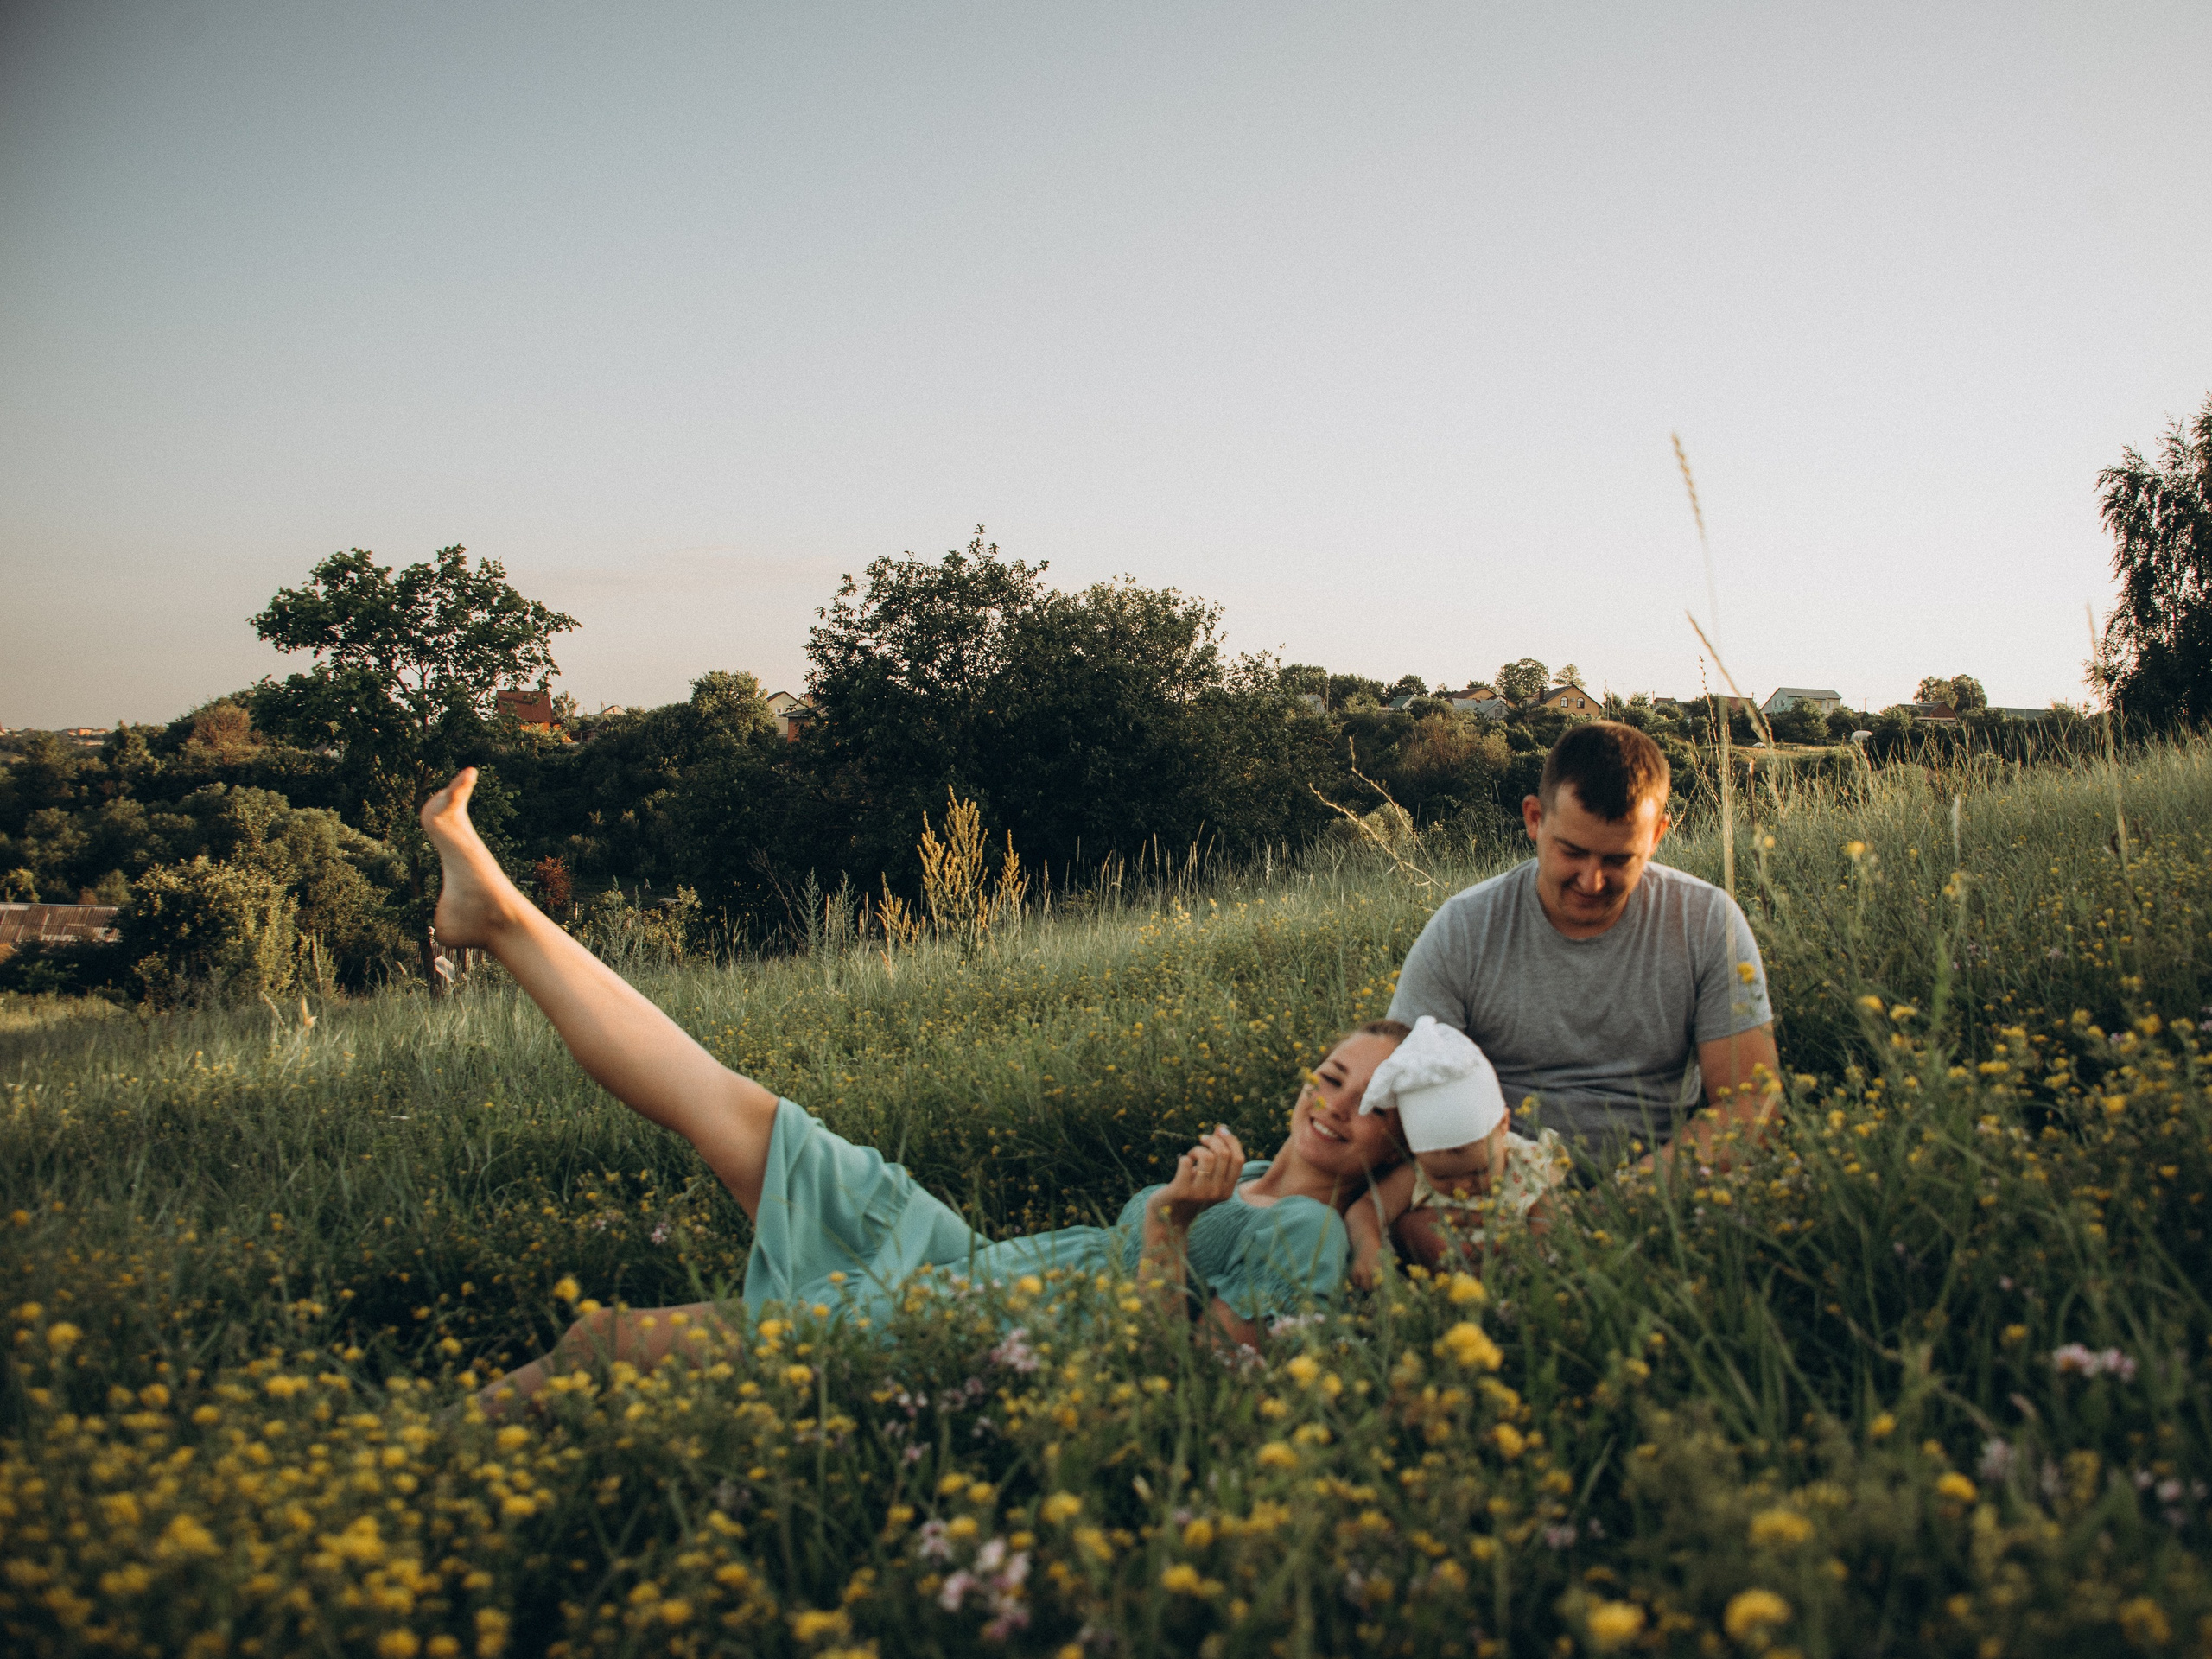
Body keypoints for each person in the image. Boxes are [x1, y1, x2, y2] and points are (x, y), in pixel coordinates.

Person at [415, 769, 1410, 1414]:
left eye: (1371, 1106)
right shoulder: (1256, 1192)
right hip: (968, 1267)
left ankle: (399, 1466)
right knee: (733, 1106)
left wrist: (1165, 1233)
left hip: (986, 1334)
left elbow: (1182, 1401)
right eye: (1331, 1076)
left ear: (1395, 1145)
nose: (1333, 1106)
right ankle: (499, 915)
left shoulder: (1310, 1237)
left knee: (610, 1344)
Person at [1386, 721, 1778, 1264]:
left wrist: (1603, 1212)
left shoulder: (1708, 921)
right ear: (1533, 819)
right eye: (1572, 851)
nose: (1592, 881)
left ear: (1659, 835)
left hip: (1656, 1186)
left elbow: (1752, 1102)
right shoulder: (1463, 929)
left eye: (1619, 860)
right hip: (1496, 1187)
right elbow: (1400, 1084)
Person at [1343, 1015, 1569, 1287]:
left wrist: (1539, 1257)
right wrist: (1367, 1246)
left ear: (1503, 1126)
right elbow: (1365, 1209)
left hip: (1518, 1280)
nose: (1463, 1185)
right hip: (1437, 1287)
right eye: (1441, 1178)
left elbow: (1552, 1207)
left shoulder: (1526, 1162)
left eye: (1479, 1171)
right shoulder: (1417, 1174)